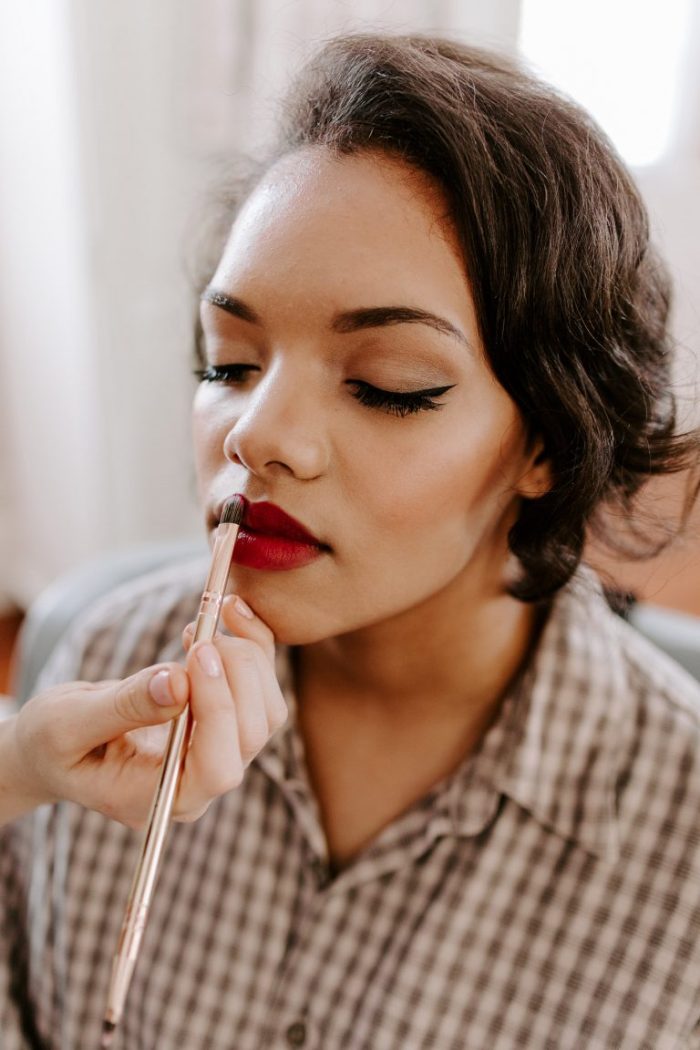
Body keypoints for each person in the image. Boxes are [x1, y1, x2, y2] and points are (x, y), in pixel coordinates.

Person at [2, 32, 700, 1049]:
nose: (256, 435)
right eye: (229, 363)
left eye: (387, 385)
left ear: (547, 441)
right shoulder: (111, 660)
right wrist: (16, 766)